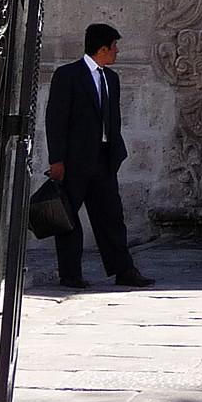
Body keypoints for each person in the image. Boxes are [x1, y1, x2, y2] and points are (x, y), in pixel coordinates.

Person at [44, 23, 154, 289]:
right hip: (74, 162)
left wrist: (116, 151)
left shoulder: (111, 79)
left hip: (104, 160)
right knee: (69, 221)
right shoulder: (68, 75)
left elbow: (112, 119)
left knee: (111, 217)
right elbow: (55, 119)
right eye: (114, 47)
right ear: (102, 48)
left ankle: (123, 269)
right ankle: (70, 273)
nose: (117, 52)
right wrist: (56, 159)